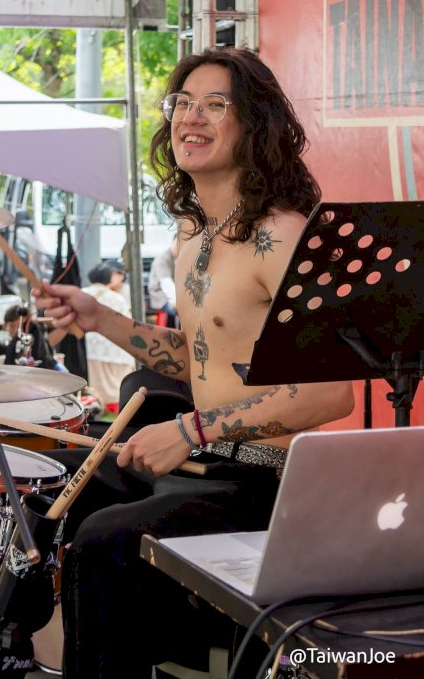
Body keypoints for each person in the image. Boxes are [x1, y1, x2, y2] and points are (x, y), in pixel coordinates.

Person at [34, 47, 354, 678]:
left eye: (214, 104)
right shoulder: (193, 234)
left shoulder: (284, 235)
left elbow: (328, 392)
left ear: (254, 123)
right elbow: (202, 360)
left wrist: (189, 429)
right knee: (49, 487)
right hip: (208, 461)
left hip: (266, 482)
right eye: (182, 102)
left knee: (104, 542)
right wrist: (101, 319)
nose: (191, 117)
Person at [82, 263, 135, 412]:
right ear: (108, 279)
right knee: (116, 387)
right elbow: (126, 324)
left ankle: (97, 408)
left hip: (89, 348)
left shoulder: (82, 294)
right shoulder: (117, 298)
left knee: (94, 386)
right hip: (114, 348)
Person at [3, 303, 62, 370]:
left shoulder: (33, 332)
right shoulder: (15, 340)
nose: (10, 329)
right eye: (9, 326)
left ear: (24, 321)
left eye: (13, 325)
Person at [147, 236, 178, 325]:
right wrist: (177, 303)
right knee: (184, 312)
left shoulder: (175, 257)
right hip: (161, 296)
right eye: (177, 244)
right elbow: (166, 284)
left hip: (170, 295)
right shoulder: (163, 258)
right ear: (172, 242)